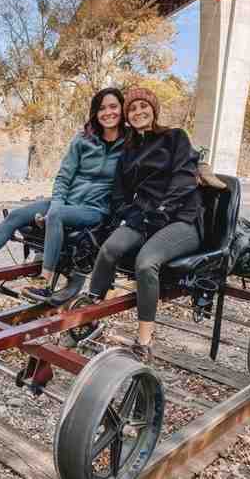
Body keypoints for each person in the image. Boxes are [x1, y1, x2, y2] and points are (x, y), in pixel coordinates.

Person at [0, 87, 129, 303]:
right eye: (102, 108)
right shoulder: (83, 139)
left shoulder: (130, 143)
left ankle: (45, 282)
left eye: (113, 107)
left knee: (56, 216)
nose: (108, 112)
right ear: (95, 112)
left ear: (122, 109)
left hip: (94, 210)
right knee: (16, 216)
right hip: (66, 202)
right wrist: (57, 204)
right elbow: (64, 177)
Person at [80, 87, 204, 364]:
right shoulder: (129, 151)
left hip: (180, 219)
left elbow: (184, 179)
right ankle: (90, 312)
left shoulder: (174, 137)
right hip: (144, 218)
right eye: (132, 109)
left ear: (153, 109)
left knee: (146, 263)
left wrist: (162, 211)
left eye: (143, 107)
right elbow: (119, 194)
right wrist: (130, 214)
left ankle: (145, 340)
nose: (137, 112)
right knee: (110, 248)